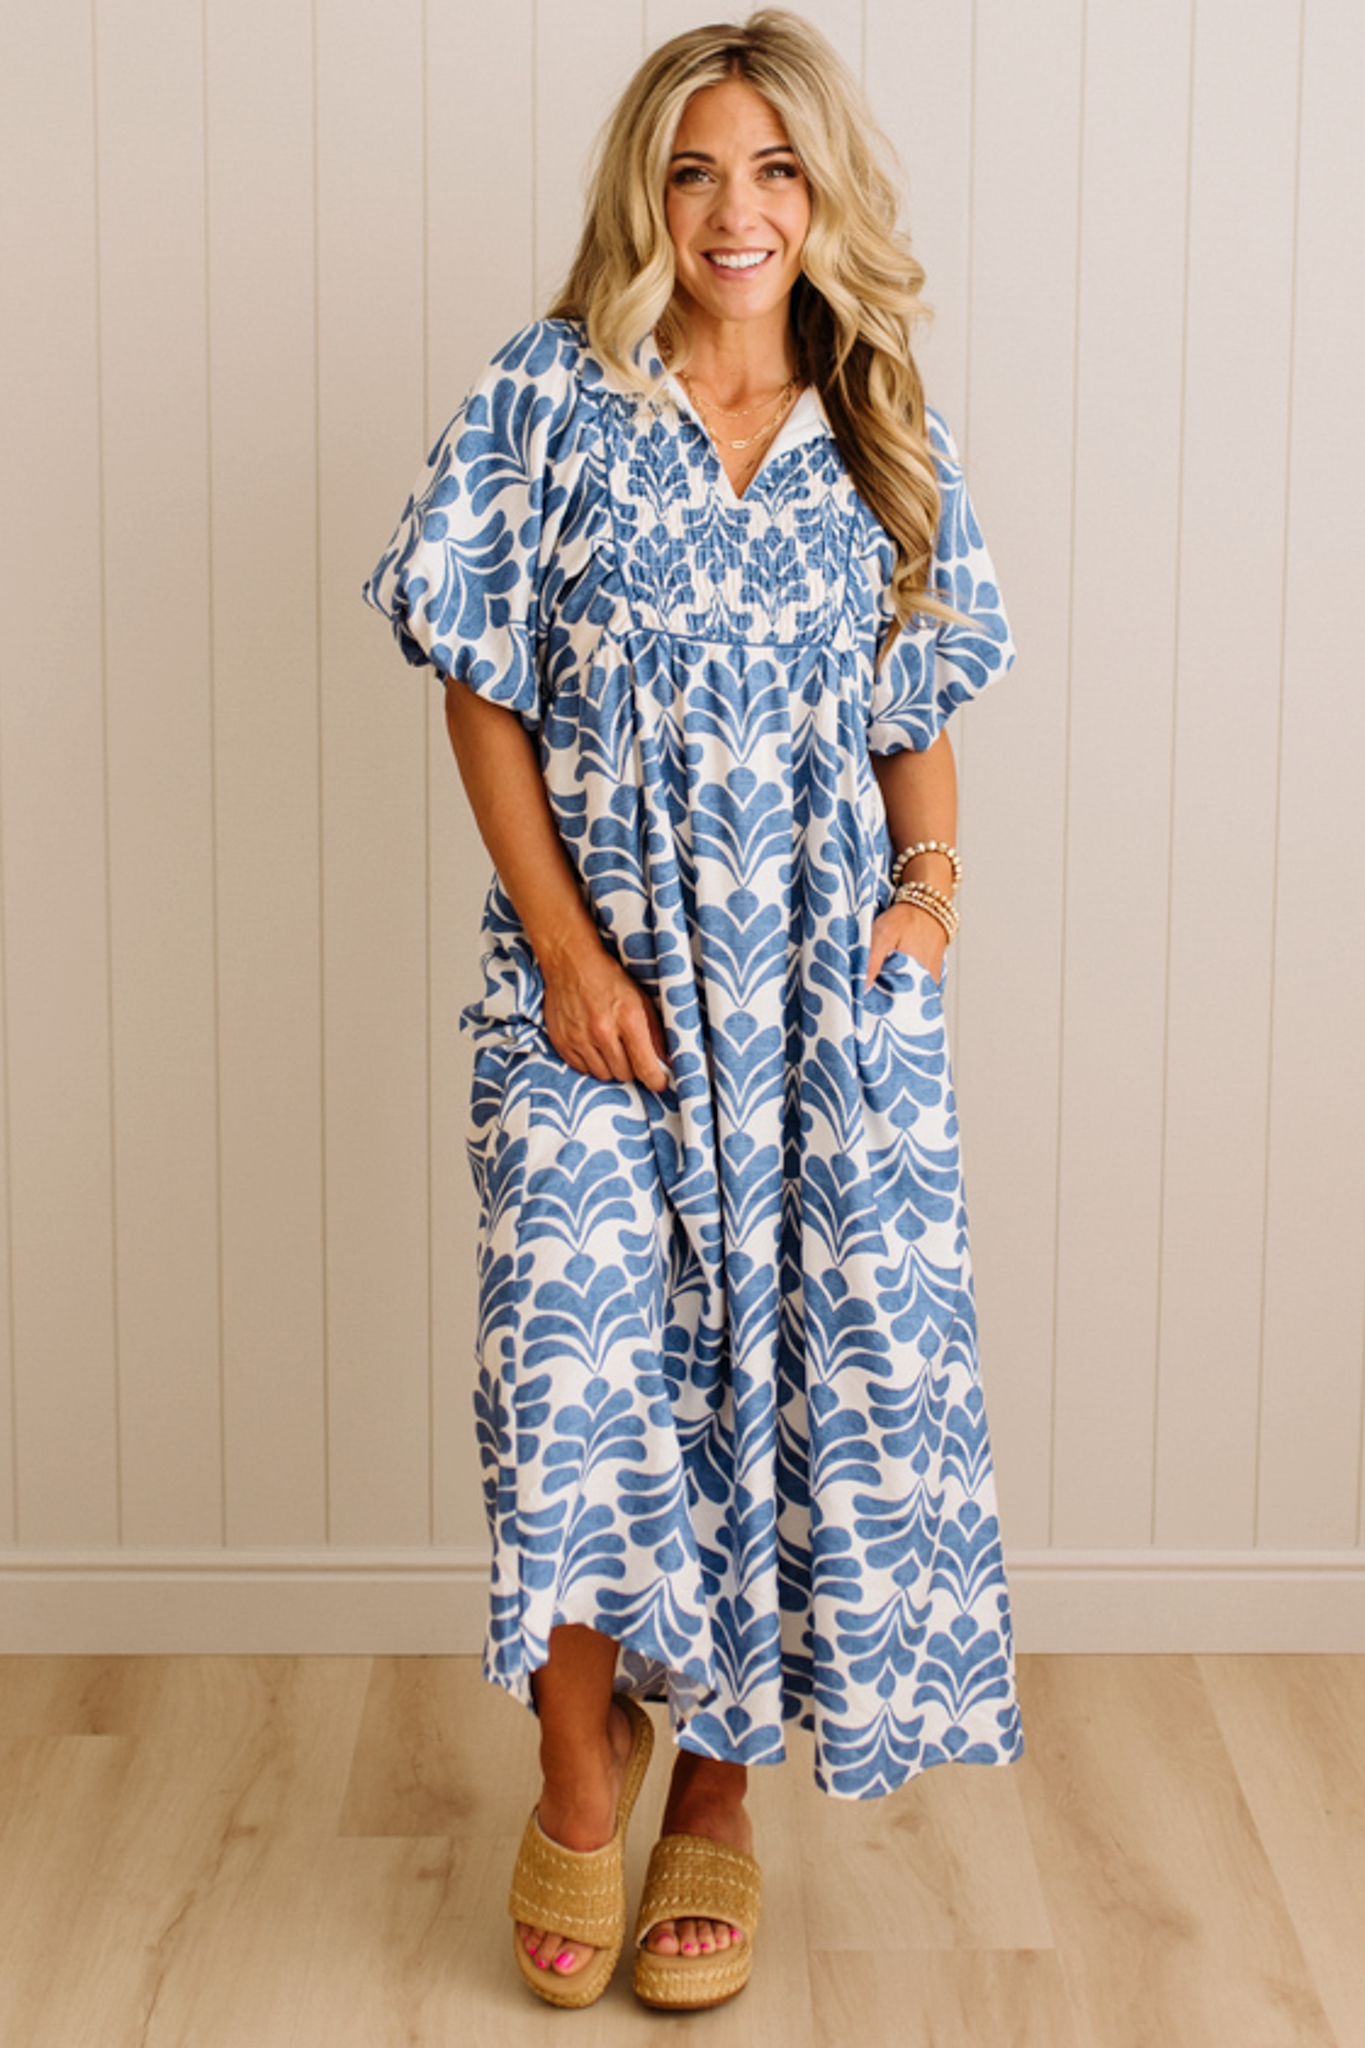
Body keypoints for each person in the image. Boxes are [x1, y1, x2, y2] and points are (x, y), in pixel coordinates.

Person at [365, 8, 1022, 2014]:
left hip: (824, 1006)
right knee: (577, 1371)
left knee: (781, 1396)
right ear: (642, 196)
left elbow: (919, 714)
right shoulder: (545, 402)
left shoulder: (880, 417)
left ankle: (718, 1800)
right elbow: (478, 675)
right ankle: (580, 1764)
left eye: (773, 169)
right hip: (595, 991)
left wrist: (925, 911)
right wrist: (564, 946)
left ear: (824, 196)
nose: (734, 209)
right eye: (692, 169)